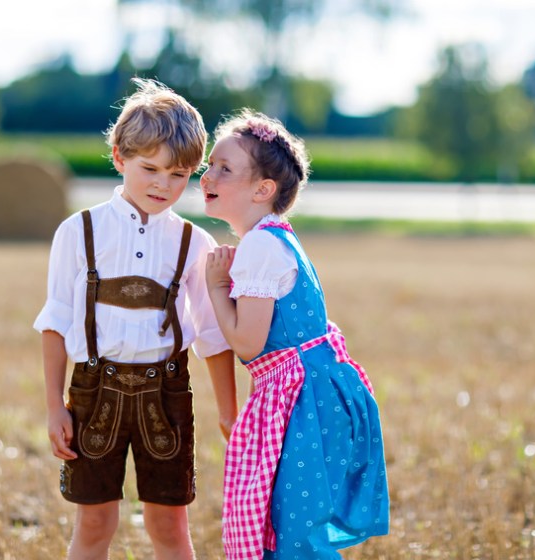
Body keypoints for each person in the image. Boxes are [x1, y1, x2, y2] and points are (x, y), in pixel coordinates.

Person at [34, 78, 237, 560]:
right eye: (151, 169)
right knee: (95, 522)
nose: (163, 186)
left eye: (180, 175)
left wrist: (230, 413)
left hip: (165, 394)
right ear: (119, 156)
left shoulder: (194, 244)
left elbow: (212, 335)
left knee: (170, 527)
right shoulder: (78, 232)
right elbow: (55, 323)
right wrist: (54, 406)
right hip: (92, 391)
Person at [201, 109, 390, 559]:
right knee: (293, 520)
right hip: (318, 392)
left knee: (292, 528)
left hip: (302, 401)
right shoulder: (279, 238)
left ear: (263, 190)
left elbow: (247, 343)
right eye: (210, 164)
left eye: (224, 169)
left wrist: (215, 288)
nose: (207, 175)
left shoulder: (260, 249)